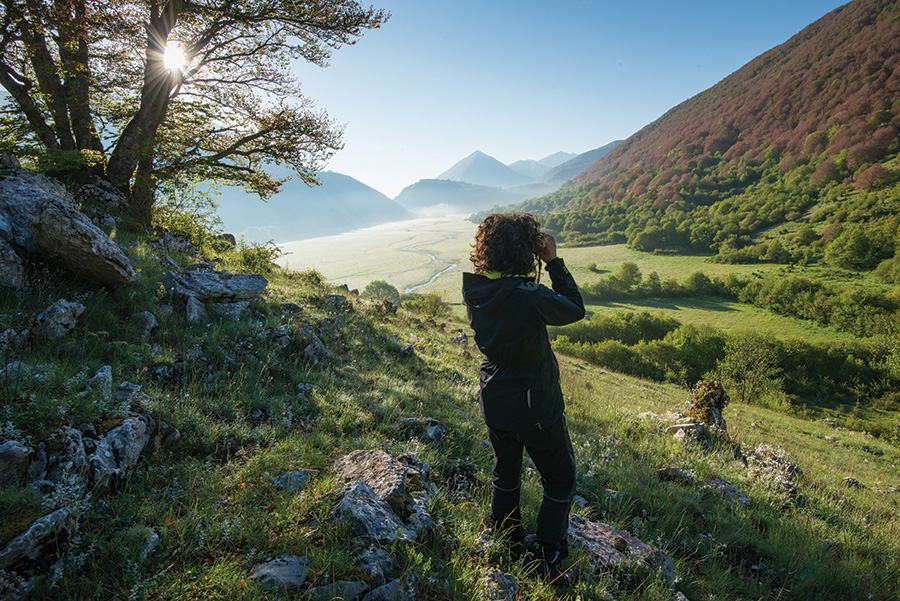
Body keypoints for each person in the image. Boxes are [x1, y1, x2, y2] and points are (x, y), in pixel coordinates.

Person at [461, 213, 585, 580]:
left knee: (506, 475)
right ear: (525, 252)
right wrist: (553, 262)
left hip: (495, 400)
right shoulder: (528, 295)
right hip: (536, 407)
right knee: (560, 480)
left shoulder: (476, 289)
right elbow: (574, 308)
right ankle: (547, 558)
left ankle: (508, 542)